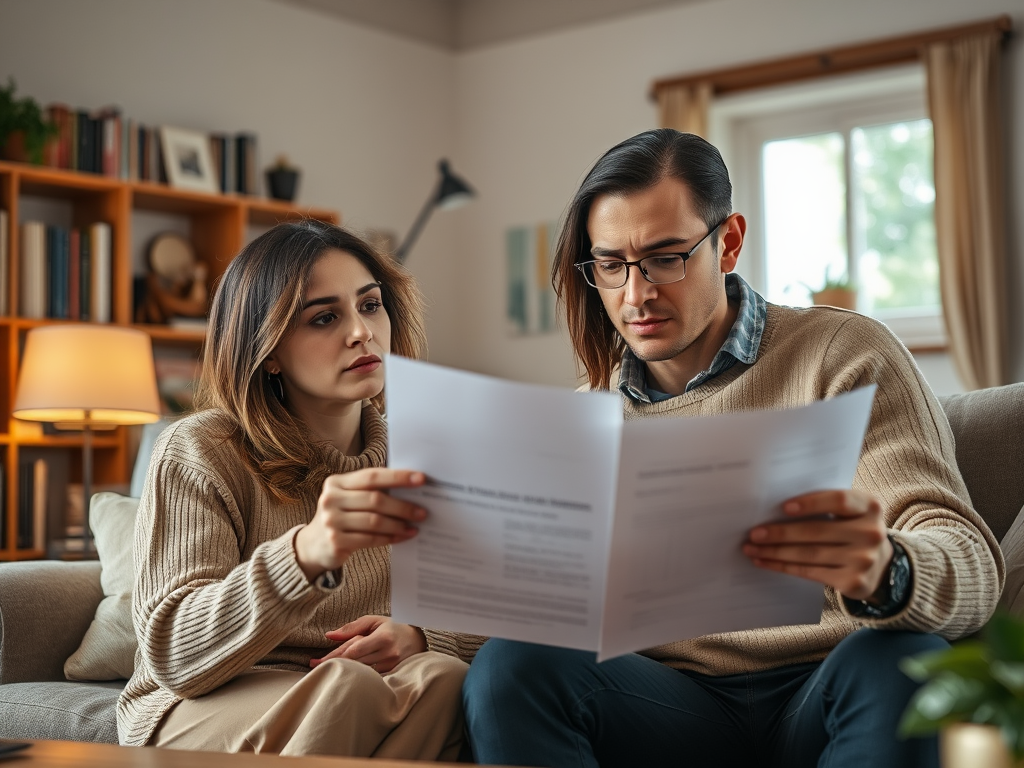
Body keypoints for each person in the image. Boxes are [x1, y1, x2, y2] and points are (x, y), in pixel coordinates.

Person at [462, 129, 1004, 768]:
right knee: (512, 664)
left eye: (667, 257)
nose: (636, 295)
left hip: (825, 683)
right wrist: (421, 633)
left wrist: (889, 568)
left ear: (729, 242)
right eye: (610, 265)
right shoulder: (588, 412)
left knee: (903, 661)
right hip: (667, 702)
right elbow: (534, 586)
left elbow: (968, 558)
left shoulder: (843, 355)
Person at [118, 221, 482, 759]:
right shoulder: (199, 449)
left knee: (442, 678)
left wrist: (424, 635)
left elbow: (506, 613)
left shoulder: (432, 454)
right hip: (198, 698)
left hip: (356, 690)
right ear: (267, 350)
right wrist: (307, 555)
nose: (361, 332)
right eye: (325, 317)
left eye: (371, 305)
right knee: (348, 689)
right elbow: (174, 653)